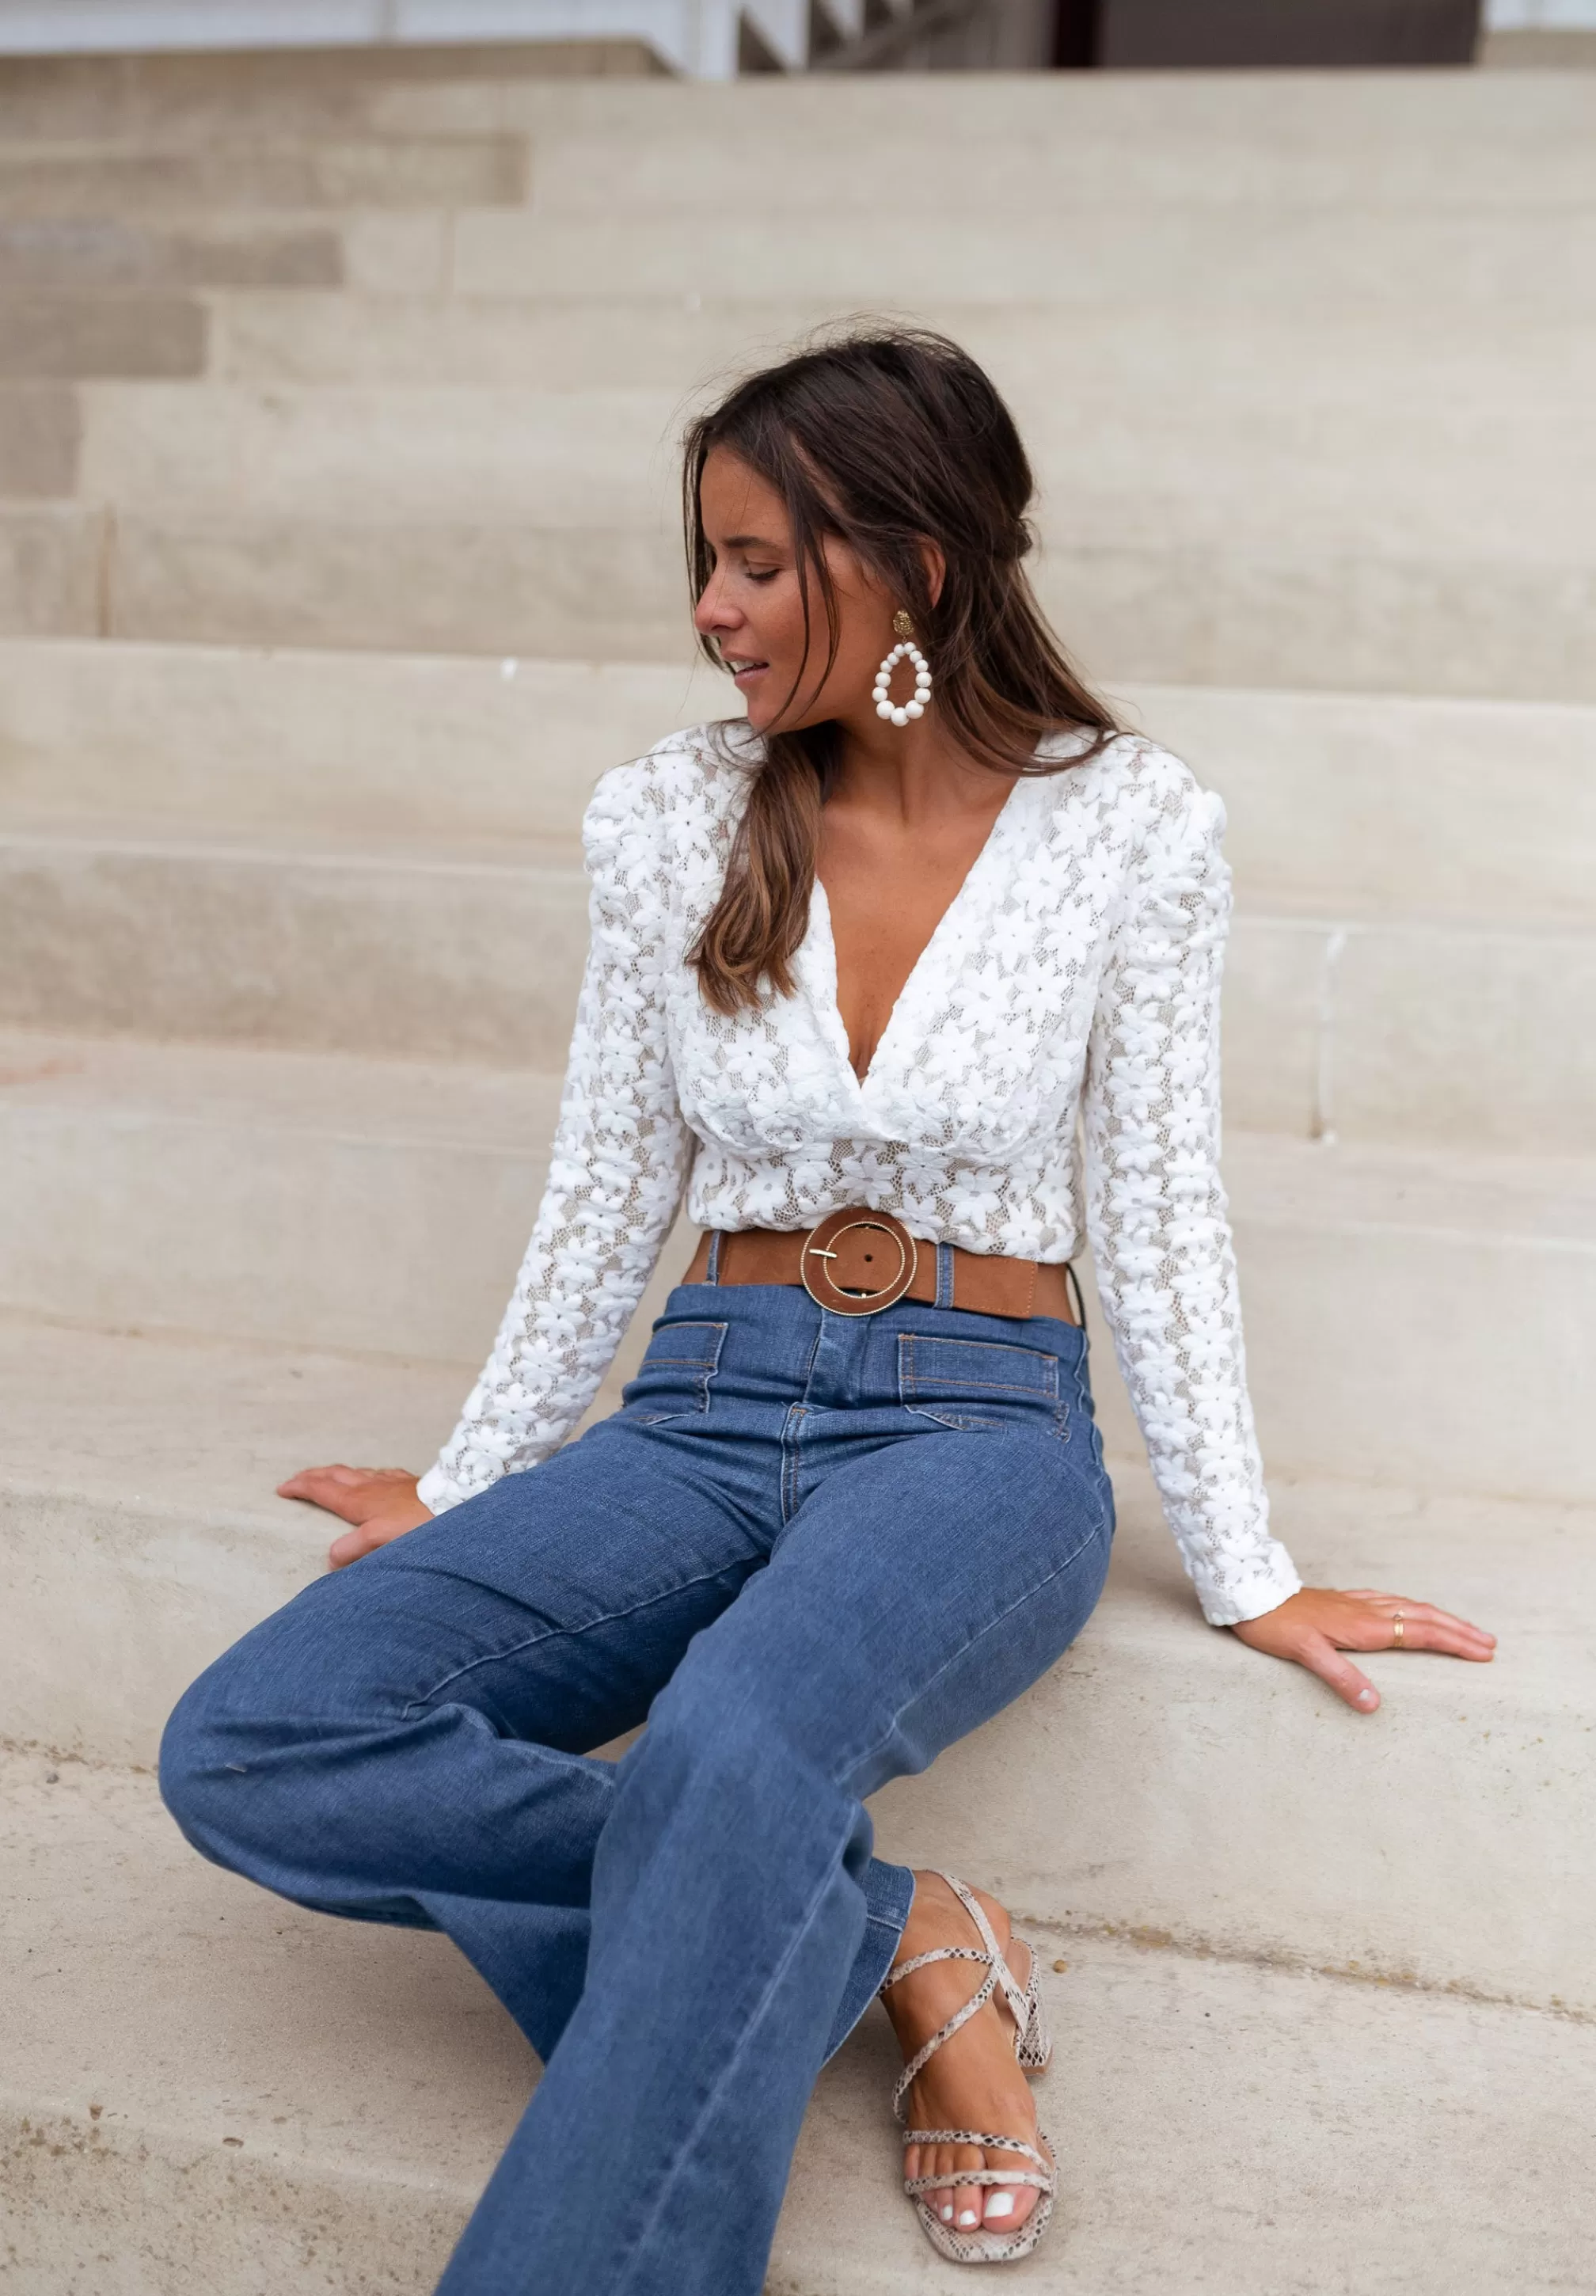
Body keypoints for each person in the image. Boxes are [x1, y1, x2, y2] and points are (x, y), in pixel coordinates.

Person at [159, 326, 1495, 2290]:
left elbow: (1160, 1209)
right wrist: (472, 1474)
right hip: (703, 1400)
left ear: (918, 569)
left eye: (759, 562)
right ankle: (890, 1931)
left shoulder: (1133, 826)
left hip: (979, 1425)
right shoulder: (666, 815)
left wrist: (1248, 1565)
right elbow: (607, 1176)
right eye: (707, 560)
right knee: (255, 1732)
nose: (711, 608)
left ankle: (758, 1962)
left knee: (728, 1750)